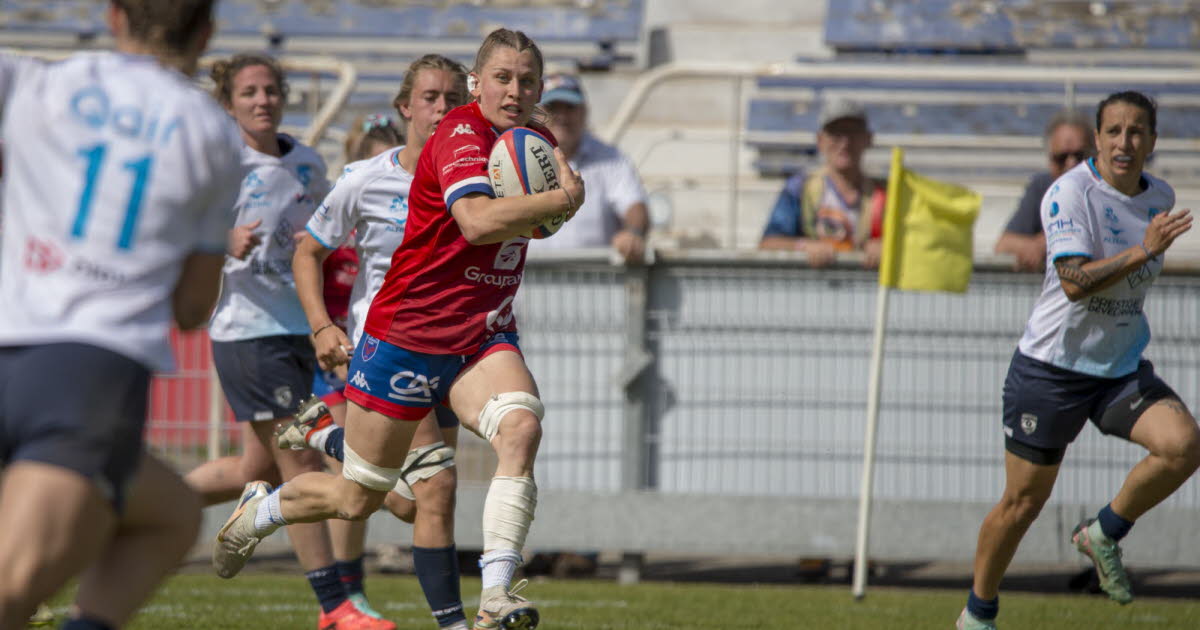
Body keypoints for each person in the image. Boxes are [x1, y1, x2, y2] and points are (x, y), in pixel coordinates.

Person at [212, 28, 585, 630]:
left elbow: (541, 223)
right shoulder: (459, 133)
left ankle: (495, 596)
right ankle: (265, 508)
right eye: (503, 77)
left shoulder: (532, 140)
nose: (515, 90)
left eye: (527, 80)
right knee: (362, 495)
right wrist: (559, 199)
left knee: (519, 425)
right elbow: (475, 221)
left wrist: (562, 199)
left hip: (480, 333)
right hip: (405, 337)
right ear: (478, 83)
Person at [0, 2, 242, 628]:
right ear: (207, 32)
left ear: (113, 17)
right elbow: (192, 307)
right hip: (88, 373)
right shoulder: (213, 134)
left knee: (173, 514)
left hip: (12, 340)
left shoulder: (34, 82)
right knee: (12, 589)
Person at [957, 91, 1199, 630]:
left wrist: (1147, 246)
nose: (1124, 142)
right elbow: (1073, 283)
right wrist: (1144, 249)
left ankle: (1104, 532)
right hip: (1052, 370)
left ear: (1152, 142)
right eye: (1113, 131)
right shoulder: (1069, 194)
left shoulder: (1158, 195)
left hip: (1117, 368)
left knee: (1183, 446)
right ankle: (977, 615)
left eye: (1137, 132)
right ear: (1097, 138)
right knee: (1022, 504)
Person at [181, 52, 394, 630]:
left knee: (257, 467)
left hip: (296, 326)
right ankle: (334, 606)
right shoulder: (217, 161)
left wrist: (317, 235)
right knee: (299, 457)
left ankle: (123, 509)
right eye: (249, 92)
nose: (262, 100)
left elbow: (328, 221)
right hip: (245, 331)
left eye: (271, 90)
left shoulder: (303, 160)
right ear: (228, 103)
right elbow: (173, 220)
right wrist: (220, 237)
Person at [289, 53, 472, 630]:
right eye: (429, 97)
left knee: (377, 496)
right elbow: (307, 250)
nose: (441, 108)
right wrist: (323, 326)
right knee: (430, 489)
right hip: (388, 347)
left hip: (452, 347)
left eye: (452, 99)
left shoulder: (476, 180)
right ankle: (452, 623)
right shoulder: (367, 178)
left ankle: (322, 440)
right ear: (406, 107)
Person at [525, 71, 648, 264]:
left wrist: (633, 233)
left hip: (594, 287)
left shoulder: (611, 158)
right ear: (539, 114)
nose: (562, 117)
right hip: (526, 288)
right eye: (553, 108)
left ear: (584, 112)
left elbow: (634, 204)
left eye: (570, 108)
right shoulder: (516, 155)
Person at [758, 99, 886, 268]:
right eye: (836, 134)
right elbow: (768, 244)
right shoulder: (800, 189)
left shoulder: (885, 193)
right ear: (820, 141)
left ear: (868, 139)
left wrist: (889, 247)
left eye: (853, 133)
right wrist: (803, 246)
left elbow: (917, 241)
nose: (845, 143)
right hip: (813, 290)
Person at [993, 110, 1095, 272]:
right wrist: (1033, 248)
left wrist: (1047, 243)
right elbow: (1003, 245)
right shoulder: (1041, 187)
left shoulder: (1105, 190)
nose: (1071, 164)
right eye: (1061, 157)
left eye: (1079, 156)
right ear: (1050, 159)